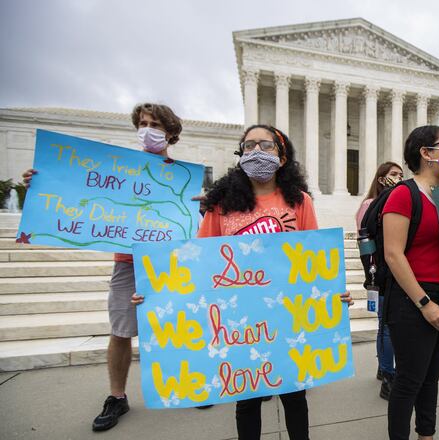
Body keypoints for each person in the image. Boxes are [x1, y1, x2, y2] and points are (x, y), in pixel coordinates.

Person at [133, 124, 350, 439]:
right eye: (248, 146)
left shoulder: (300, 201)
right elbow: (199, 262)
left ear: (283, 155)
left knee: (294, 395)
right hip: (239, 321)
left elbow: (314, 260)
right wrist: (155, 293)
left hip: (288, 315)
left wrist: (333, 293)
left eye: (265, 145)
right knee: (246, 400)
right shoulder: (221, 204)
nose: (256, 152)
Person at [24, 103, 191, 431]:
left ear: (170, 133)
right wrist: (39, 184)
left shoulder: (184, 176)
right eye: (142, 123)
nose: (147, 129)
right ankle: (117, 396)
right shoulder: (118, 168)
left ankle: (187, 385)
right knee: (120, 330)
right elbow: (73, 191)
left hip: (170, 262)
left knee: (179, 326)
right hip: (128, 263)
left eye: (155, 124)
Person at [382, 125, 439, 440]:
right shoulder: (403, 194)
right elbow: (393, 254)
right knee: (409, 381)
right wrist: (425, 304)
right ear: (426, 153)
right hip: (413, 299)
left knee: (431, 378)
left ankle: (426, 435)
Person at [356, 161, 404, 400]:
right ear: (381, 177)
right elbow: (366, 241)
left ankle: (383, 367)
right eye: (393, 174)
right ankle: (387, 374)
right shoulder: (369, 205)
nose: (398, 177)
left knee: (387, 326)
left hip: (395, 271)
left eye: (401, 174)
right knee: (385, 326)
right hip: (380, 273)